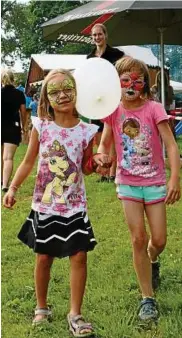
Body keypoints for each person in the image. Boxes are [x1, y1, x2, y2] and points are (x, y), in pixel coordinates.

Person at [3, 69, 111, 336]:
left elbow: (85, 167)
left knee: (80, 256)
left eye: (67, 89)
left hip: (75, 205)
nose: (62, 95)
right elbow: (28, 160)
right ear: (46, 98)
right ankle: (41, 307)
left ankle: (75, 313)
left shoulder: (88, 130)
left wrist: (96, 162)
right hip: (46, 205)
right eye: (55, 91)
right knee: (44, 258)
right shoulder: (43, 126)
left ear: (77, 92)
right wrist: (13, 187)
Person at [98, 57, 181, 322]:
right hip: (128, 183)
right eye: (125, 80)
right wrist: (102, 156)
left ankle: (153, 259)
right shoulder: (113, 111)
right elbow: (104, 143)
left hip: (155, 182)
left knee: (158, 241)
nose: (131, 85)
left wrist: (174, 178)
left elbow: (170, 144)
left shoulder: (154, 109)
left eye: (137, 80)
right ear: (117, 83)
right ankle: (148, 299)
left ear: (145, 83)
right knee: (138, 238)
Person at [87, 23, 124, 182]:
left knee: (113, 136)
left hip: (112, 98)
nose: (97, 37)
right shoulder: (89, 58)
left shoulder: (116, 54)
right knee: (99, 136)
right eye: (94, 35)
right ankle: (103, 169)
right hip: (96, 100)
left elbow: (123, 73)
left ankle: (112, 173)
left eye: (99, 34)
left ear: (105, 35)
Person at [1, 70, 26, 192]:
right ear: (13, 79)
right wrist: (24, 127)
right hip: (12, 127)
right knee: (8, 158)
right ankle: (5, 184)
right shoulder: (19, 94)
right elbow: (23, 112)